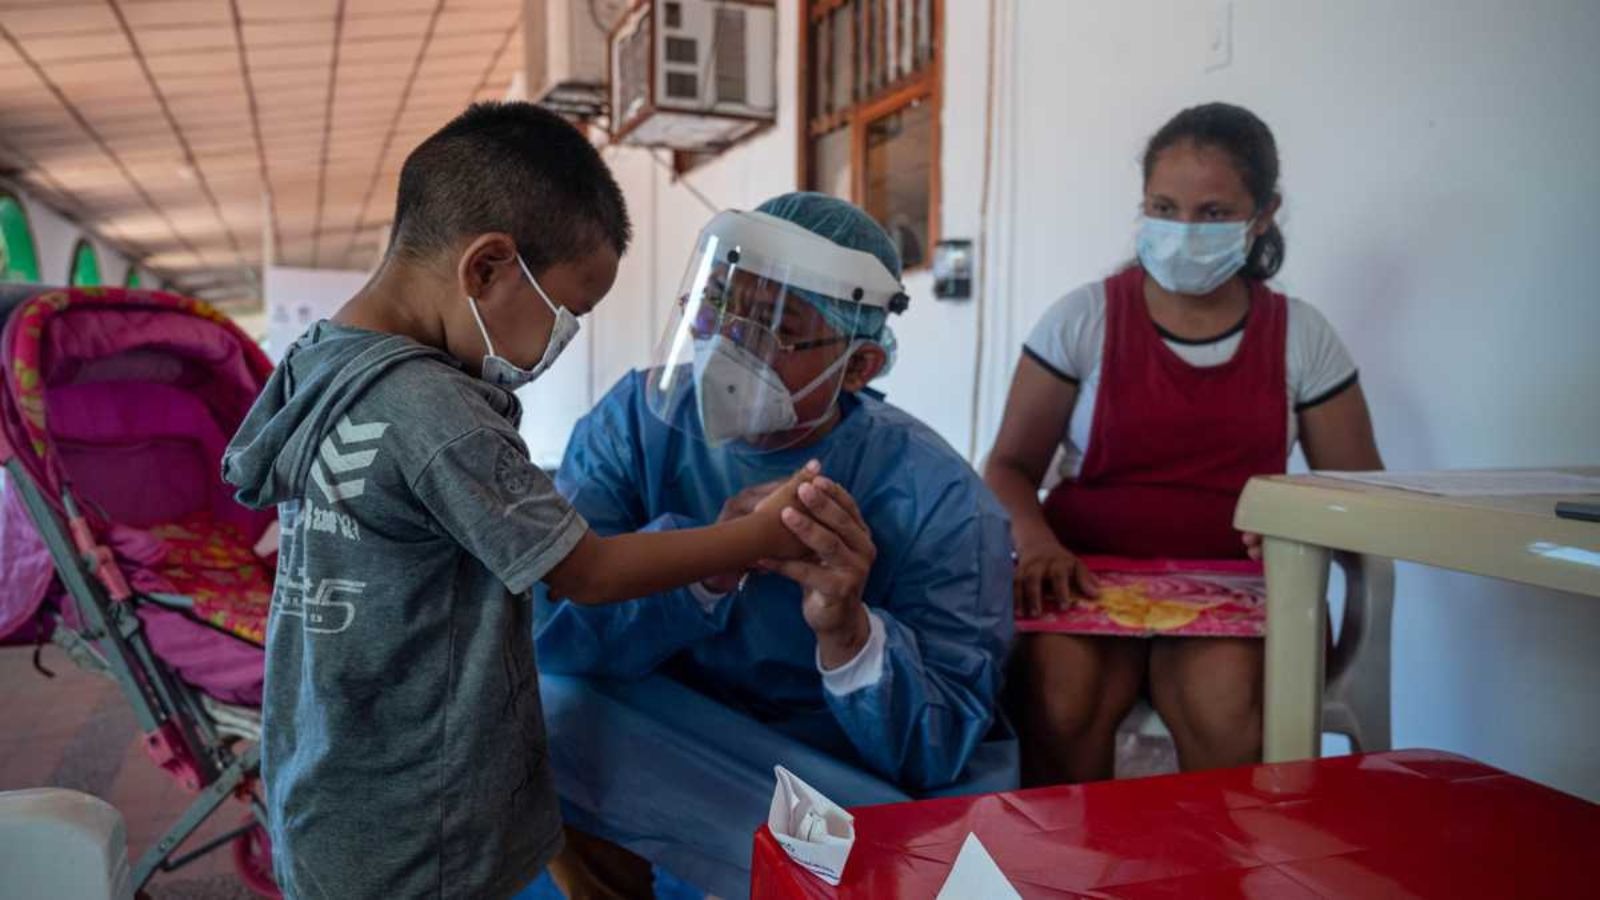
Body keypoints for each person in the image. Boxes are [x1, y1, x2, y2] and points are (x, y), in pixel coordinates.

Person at [221, 103, 820, 900]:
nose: (560, 339)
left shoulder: (319, 362)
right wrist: (754, 536)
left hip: (328, 784)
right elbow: (587, 572)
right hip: (424, 824)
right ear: (487, 268)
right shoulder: (434, 411)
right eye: (568, 312)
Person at [534, 193, 1016, 899]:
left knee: (940, 874)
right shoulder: (636, 424)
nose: (727, 345)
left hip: (834, 775)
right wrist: (707, 561)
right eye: (719, 308)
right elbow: (556, 630)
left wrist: (849, 635)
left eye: (775, 329)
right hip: (672, 733)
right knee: (540, 716)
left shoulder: (940, 500)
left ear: (859, 368)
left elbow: (940, 749)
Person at [983, 103, 1383, 786]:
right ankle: (1061, 880)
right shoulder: (1083, 318)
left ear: (1263, 216)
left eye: (1213, 213)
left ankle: (1212, 879)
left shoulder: (1302, 336)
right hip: (1084, 572)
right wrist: (1038, 541)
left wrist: (1301, 522)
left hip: (1244, 585)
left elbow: (1365, 495)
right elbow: (1009, 466)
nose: (1183, 232)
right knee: (1058, 694)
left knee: (1226, 705)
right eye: (1164, 208)